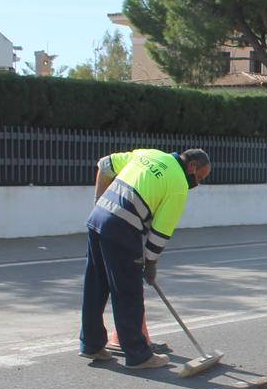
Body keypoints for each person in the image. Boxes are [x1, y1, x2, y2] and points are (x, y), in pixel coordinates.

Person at [79, 148, 211, 368]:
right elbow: (160, 233)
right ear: (192, 166)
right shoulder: (178, 184)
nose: (197, 183)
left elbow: (104, 165)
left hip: (98, 220)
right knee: (128, 292)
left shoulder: (149, 154)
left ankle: (91, 345)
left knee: (96, 285)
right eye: (199, 178)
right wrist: (150, 265)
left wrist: (99, 204)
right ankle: (138, 355)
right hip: (122, 229)